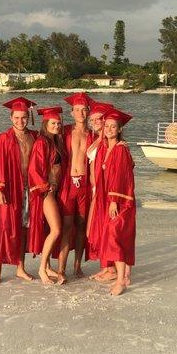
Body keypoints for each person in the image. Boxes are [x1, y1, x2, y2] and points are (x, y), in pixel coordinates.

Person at [0, 96, 38, 284]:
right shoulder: (4, 138)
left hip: (29, 188)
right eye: (17, 118)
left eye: (24, 117)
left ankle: (20, 268)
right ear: (10, 117)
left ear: (28, 117)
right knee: (5, 227)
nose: (20, 121)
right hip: (10, 188)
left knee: (24, 227)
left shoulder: (34, 136)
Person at [88, 107, 136, 296]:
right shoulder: (104, 148)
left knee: (116, 238)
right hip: (107, 200)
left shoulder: (120, 150)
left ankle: (121, 281)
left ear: (119, 129)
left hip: (119, 202)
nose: (108, 129)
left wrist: (114, 201)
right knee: (111, 237)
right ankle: (122, 276)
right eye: (106, 125)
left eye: (113, 126)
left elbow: (120, 178)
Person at [57, 92, 95, 284]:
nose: (81, 113)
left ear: (88, 112)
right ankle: (61, 268)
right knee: (65, 226)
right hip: (68, 184)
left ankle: (77, 265)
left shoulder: (93, 135)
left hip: (85, 185)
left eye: (84, 110)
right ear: (71, 113)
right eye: (77, 110)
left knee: (81, 226)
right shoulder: (64, 131)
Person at [27, 106, 64, 284]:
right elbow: (35, 169)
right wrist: (46, 187)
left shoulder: (54, 141)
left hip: (53, 191)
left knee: (49, 230)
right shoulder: (42, 142)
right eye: (53, 123)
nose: (56, 125)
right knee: (56, 230)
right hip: (45, 192)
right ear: (45, 124)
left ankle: (48, 267)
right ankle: (42, 269)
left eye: (58, 123)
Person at [85, 100, 118, 282]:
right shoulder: (97, 139)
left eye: (99, 119)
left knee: (105, 229)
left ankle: (111, 269)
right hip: (95, 190)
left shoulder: (108, 142)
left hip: (104, 191)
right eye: (93, 120)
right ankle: (106, 267)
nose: (95, 122)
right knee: (95, 229)